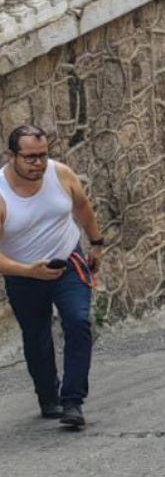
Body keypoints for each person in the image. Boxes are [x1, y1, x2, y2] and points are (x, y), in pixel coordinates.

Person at [0, 125, 104, 427]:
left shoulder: (60, 174)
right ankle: (49, 397)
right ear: (12, 156)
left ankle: (72, 402)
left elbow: (82, 205)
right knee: (37, 338)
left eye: (43, 156)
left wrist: (96, 243)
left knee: (78, 321)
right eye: (30, 157)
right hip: (24, 273)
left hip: (67, 261)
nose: (38, 164)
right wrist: (28, 271)